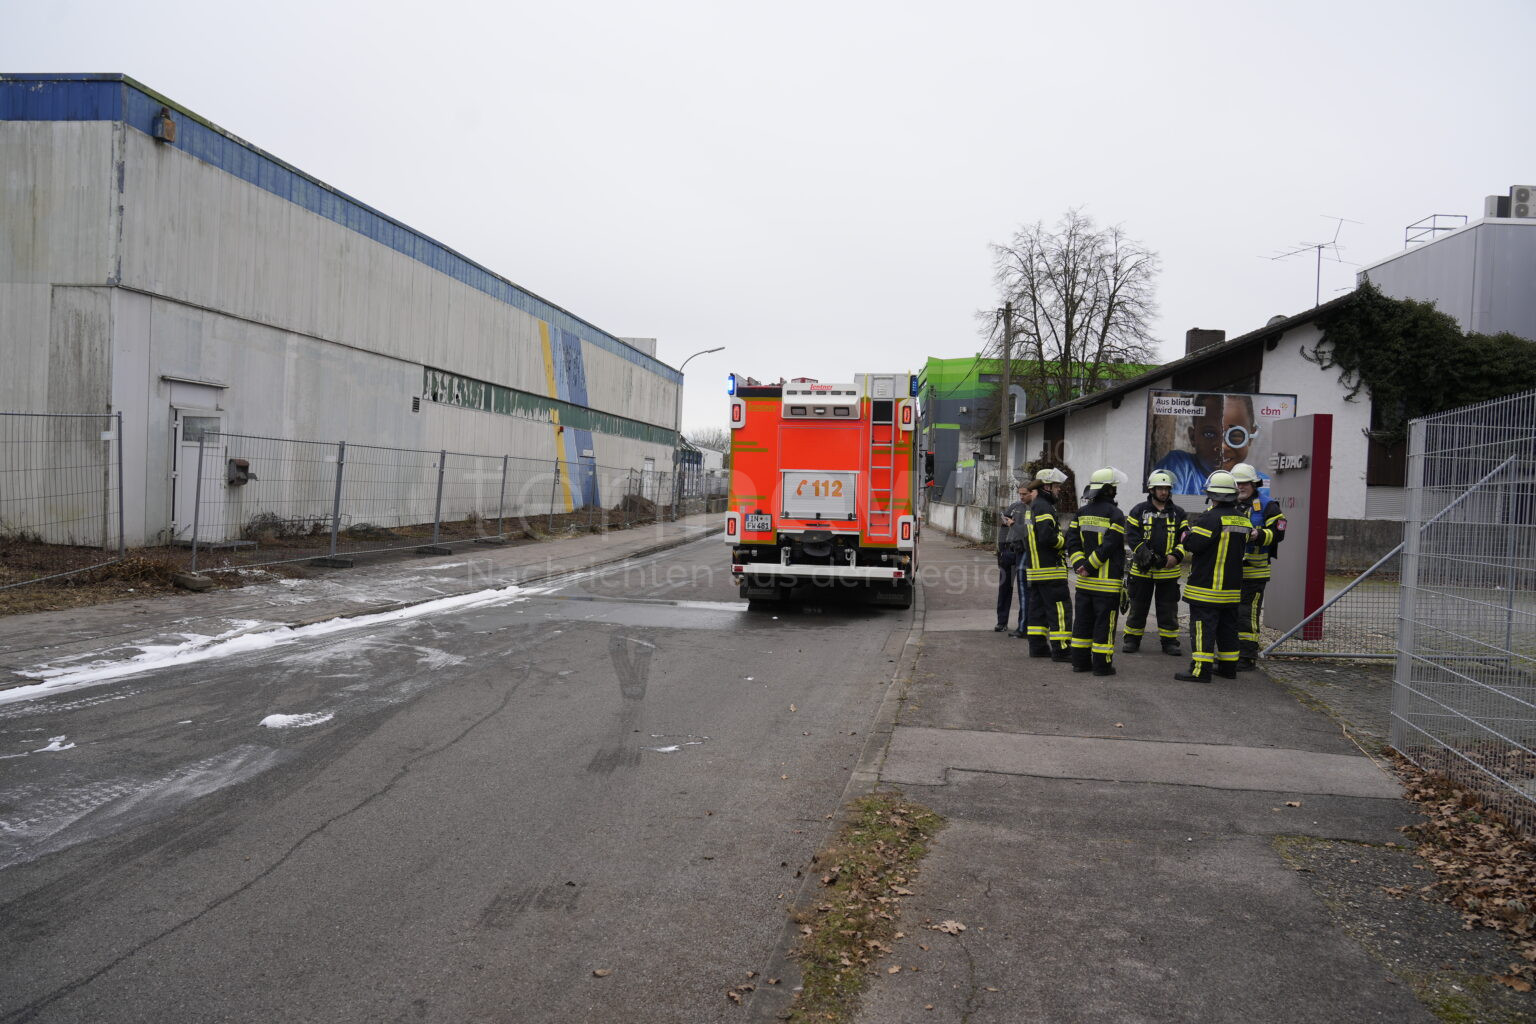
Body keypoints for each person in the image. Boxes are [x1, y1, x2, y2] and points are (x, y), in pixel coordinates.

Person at [1172, 470, 1249, 683]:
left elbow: (1194, 545)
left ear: (1212, 494)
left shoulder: (1209, 518)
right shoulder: (1243, 519)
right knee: (1227, 629)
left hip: (1207, 588)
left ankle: (1200, 671)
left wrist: (1186, 534)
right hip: (1231, 589)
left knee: (1202, 630)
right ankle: (1228, 668)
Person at [1065, 468, 1128, 676]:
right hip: (1107, 584)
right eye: (1115, 488)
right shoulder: (1116, 515)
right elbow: (1110, 545)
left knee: (1082, 623)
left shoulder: (1081, 513)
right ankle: (1102, 666)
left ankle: (1080, 663)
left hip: (1083, 583)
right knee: (1104, 625)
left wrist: (1079, 565)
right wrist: (1090, 566)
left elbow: (1072, 542)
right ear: (1109, 490)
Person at [1123, 469, 1188, 656]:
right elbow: (1133, 538)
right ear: (1151, 489)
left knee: (1168, 610)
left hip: (1169, 571)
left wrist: (1176, 555)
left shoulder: (1179, 513)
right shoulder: (1138, 511)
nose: (1164, 492)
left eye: (1166, 489)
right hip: (1142, 570)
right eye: (1160, 488)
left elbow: (1185, 538)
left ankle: (1169, 642)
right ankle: (1132, 639)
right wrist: (1145, 555)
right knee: (1137, 608)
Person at [1231, 462, 1286, 670]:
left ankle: (1246, 656)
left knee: (1247, 613)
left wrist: (1259, 534)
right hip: (1229, 571)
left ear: (1254, 484)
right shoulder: (1226, 503)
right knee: (1229, 612)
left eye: (1244, 483)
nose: (1240, 487)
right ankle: (1230, 652)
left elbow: (1279, 533)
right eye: (1236, 483)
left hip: (1254, 572)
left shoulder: (1268, 505)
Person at [1153, 394, 1258, 495]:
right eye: (1209, 434)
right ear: (1193, 437)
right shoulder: (1180, 467)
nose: (1222, 447)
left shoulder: (1259, 484)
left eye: (1235, 435)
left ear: (1251, 436)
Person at [1022, 467, 1073, 662]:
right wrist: (1064, 541)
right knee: (1060, 610)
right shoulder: (1044, 506)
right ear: (1047, 486)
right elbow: (1046, 536)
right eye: (1057, 486)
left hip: (1036, 570)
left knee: (1038, 611)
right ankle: (1061, 650)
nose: (1059, 489)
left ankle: (1038, 647)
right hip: (1051, 570)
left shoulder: (1034, 506)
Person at [994, 480, 1034, 632]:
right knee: (1004, 588)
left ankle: (1023, 625)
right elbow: (1004, 527)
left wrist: (1013, 524)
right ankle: (1001, 622)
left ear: (1032, 493)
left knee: (1024, 590)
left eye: (1024, 494)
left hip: (1024, 553)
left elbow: (1026, 532)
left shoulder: (1035, 509)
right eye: (1020, 494)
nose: (1021, 497)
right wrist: (1001, 549)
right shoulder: (1015, 506)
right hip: (1009, 552)